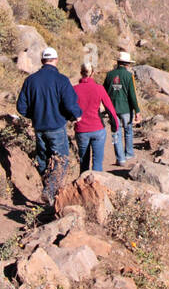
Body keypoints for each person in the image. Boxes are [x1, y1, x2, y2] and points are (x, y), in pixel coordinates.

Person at [16, 47, 83, 205]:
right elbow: (70, 104)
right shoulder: (61, 80)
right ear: (56, 60)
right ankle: (50, 191)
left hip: (39, 127)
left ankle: (49, 190)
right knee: (61, 160)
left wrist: (35, 115)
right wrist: (76, 115)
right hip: (57, 127)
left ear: (42, 61)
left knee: (43, 159)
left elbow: (21, 107)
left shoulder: (31, 80)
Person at [72, 61, 119, 173]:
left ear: (81, 73)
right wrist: (115, 126)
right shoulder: (99, 88)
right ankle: (96, 186)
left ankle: (82, 187)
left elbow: (68, 107)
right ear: (92, 73)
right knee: (97, 163)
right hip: (97, 129)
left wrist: (71, 119)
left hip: (81, 129)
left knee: (84, 163)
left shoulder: (74, 89)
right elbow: (110, 108)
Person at [103, 51, 142, 165]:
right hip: (126, 109)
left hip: (112, 109)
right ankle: (129, 153)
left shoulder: (109, 75)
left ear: (118, 62)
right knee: (128, 131)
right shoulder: (129, 76)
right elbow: (132, 95)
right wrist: (137, 111)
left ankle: (120, 158)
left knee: (116, 132)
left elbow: (104, 92)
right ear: (127, 64)